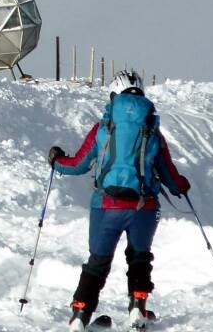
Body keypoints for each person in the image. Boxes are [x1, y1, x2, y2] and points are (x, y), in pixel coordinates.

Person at [48, 70, 191, 331]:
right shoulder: (151, 130)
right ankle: (138, 308)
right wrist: (182, 186)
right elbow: (170, 176)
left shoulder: (103, 128)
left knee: (98, 262)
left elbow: (78, 165)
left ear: (114, 96)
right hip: (144, 207)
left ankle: (80, 314)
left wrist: (56, 160)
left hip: (106, 206)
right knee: (139, 258)